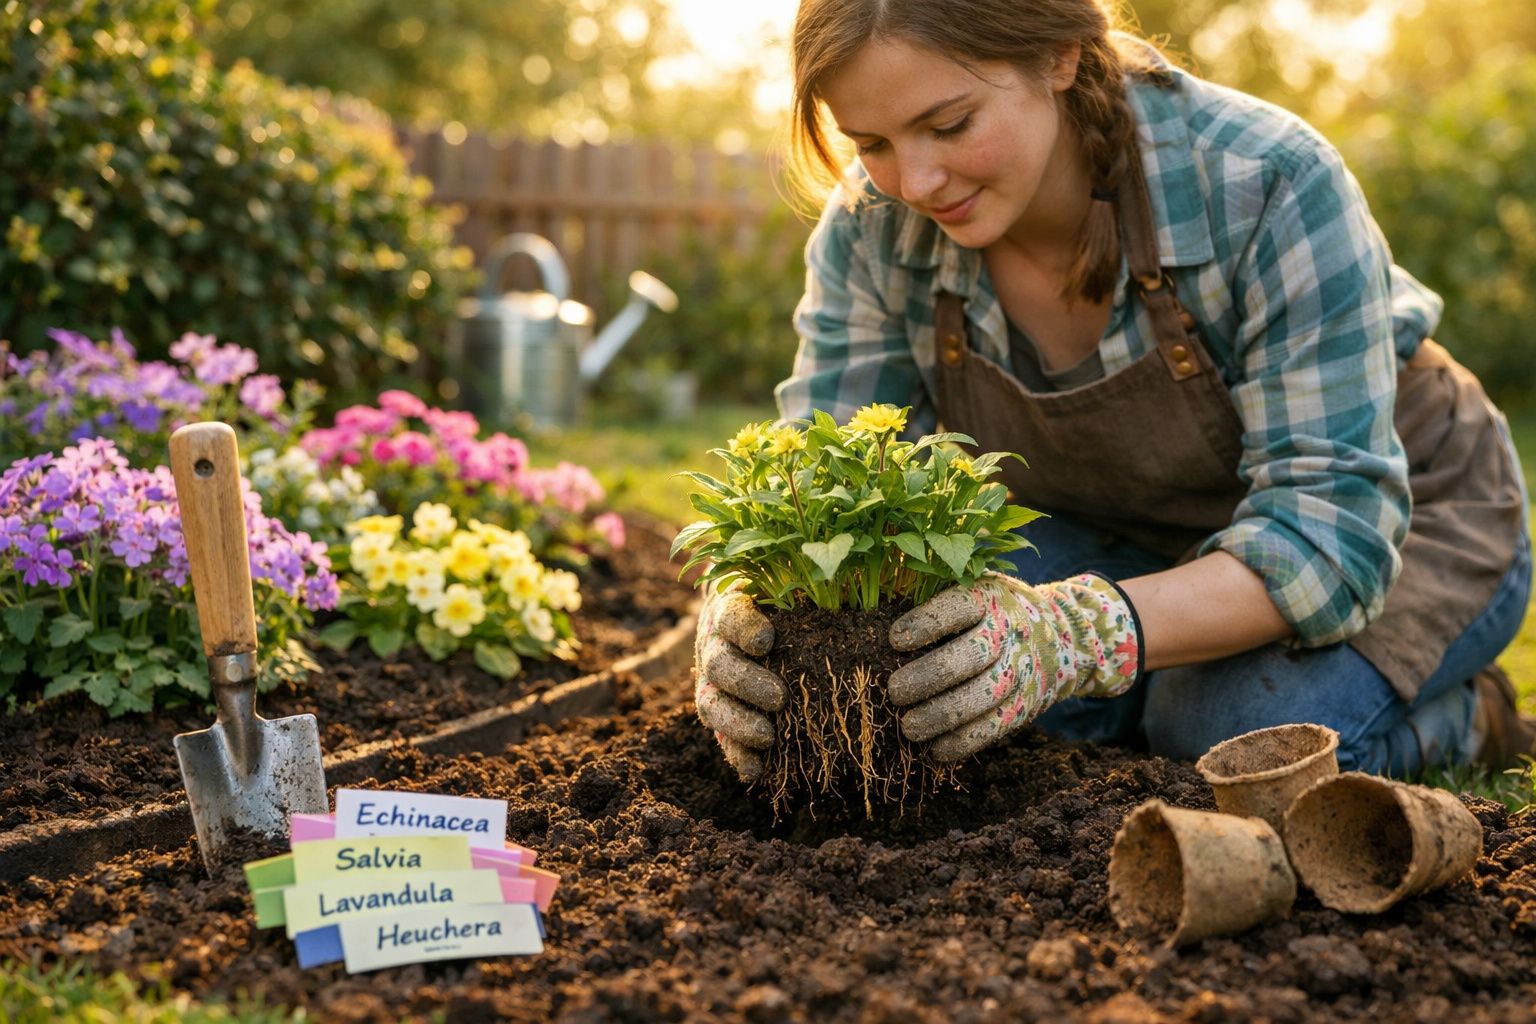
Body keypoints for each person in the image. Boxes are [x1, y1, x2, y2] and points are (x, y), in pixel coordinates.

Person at [693, 0, 1534, 784]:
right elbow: (825, 479)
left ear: (1059, 54)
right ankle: (1135, 697)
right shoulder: (872, 227)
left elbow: (1328, 538)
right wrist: (749, 606)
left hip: (1407, 523)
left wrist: (1074, 639)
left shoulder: (1263, 180)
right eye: (870, 143)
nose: (912, 182)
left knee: (1229, 730)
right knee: (927, 671)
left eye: (948, 124)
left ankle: (1469, 720)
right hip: (1126, 529)